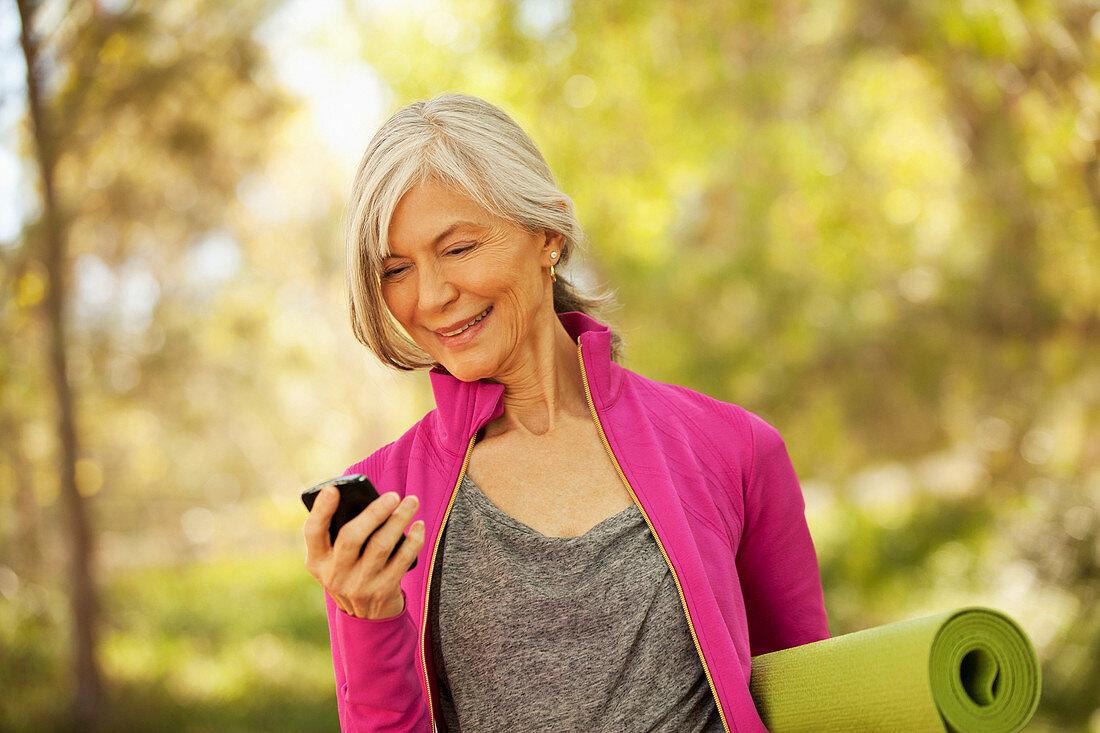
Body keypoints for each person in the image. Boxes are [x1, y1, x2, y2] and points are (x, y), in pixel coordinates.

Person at [303, 93, 829, 733]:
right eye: (396, 269)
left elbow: (810, 696)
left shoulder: (733, 447)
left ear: (548, 233)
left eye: (460, 248)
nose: (432, 296)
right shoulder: (382, 507)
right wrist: (367, 620)